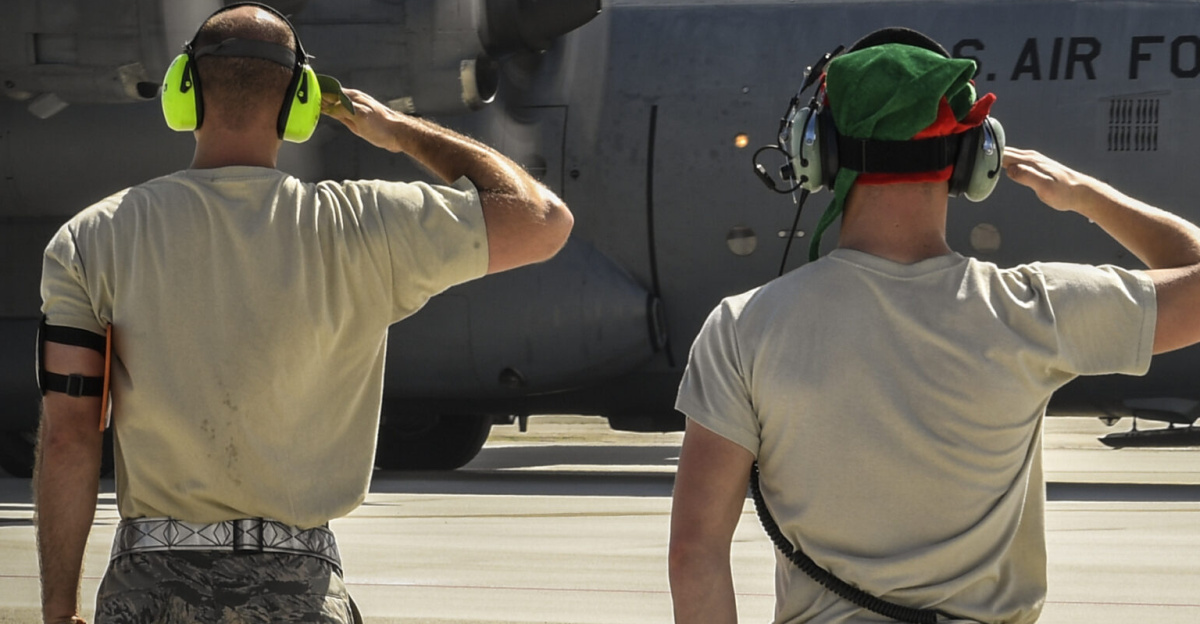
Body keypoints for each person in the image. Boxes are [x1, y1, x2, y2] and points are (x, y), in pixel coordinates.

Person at [34, 4, 572, 624]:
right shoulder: (362, 226)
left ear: (185, 91)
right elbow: (542, 221)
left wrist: (57, 607)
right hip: (300, 588)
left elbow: (71, 434)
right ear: (300, 104)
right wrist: (398, 129)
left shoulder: (91, 239)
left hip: (150, 587)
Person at [668, 28, 1200, 624]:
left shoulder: (742, 326)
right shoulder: (1032, 308)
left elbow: (695, 554)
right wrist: (1085, 195)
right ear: (976, 160)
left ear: (818, 155)